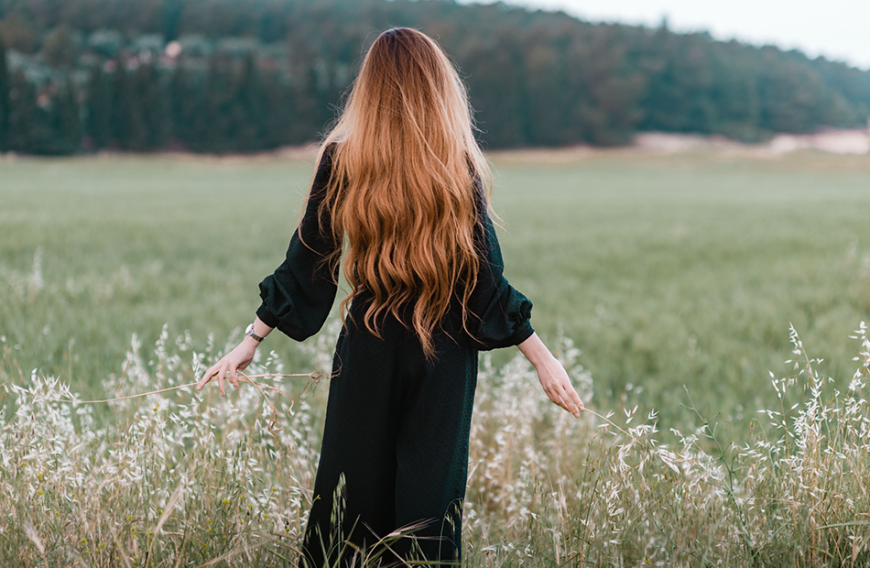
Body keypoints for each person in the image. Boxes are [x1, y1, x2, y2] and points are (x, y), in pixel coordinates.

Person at [196, 26, 584, 567]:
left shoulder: (343, 158)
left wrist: (251, 340)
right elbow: (483, 279)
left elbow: (308, 261)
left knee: (349, 507)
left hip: (369, 343)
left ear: (370, 88)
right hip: (444, 351)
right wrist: (542, 358)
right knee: (428, 512)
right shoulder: (455, 164)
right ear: (437, 86)